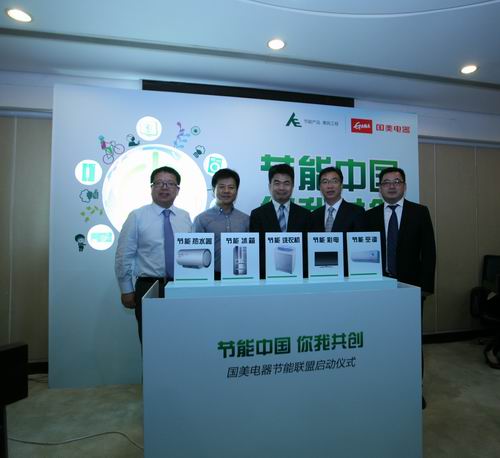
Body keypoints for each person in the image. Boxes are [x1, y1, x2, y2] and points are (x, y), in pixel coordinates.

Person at [364, 166, 436, 409]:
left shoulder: (420, 212)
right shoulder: (370, 215)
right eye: (386, 182)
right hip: (379, 289)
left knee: (411, 341)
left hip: (411, 289)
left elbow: (429, 252)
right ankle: (384, 385)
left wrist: (425, 288)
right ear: (379, 188)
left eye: (397, 181)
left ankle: (415, 389)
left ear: (404, 186)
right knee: (381, 339)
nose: (392, 186)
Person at [115, 166, 192, 342]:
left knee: (181, 337)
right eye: (159, 183)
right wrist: (126, 289)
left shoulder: (185, 217)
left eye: (170, 183)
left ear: (177, 190)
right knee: (151, 341)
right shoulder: (137, 216)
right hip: (149, 286)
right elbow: (123, 255)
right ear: (151, 187)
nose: (164, 187)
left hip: (180, 286)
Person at [249, 163, 310, 278]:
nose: (281, 188)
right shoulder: (257, 215)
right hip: (267, 275)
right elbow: (256, 250)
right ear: (270, 186)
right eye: (277, 183)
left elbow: (307, 250)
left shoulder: (305, 215)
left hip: (298, 275)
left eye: (286, 183)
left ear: (292, 186)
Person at [193, 168, 249, 280]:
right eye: (222, 187)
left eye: (231, 187)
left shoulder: (246, 219)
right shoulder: (201, 219)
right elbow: (196, 253)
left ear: (236, 191)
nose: (226, 191)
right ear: (213, 190)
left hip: (240, 275)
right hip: (211, 277)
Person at [309, 166, 365, 275]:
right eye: (325, 182)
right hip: (319, 271)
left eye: (334, 181)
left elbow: (360, 248)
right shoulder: (314, 215)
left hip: (347, 273)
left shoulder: (356, 212)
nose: (330, 186)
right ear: (320, 187)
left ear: (341, 185)